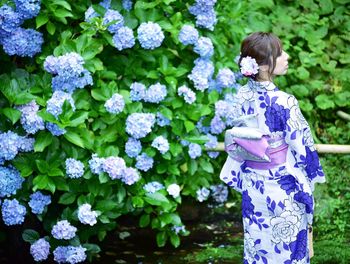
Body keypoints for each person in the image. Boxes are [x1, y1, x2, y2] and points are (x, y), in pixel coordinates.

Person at [219, 32, 326, 263]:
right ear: (265, 65)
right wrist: (309, 179)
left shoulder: (240, 96)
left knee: (259, 249)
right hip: (282, 188)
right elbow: (302, 146)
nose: (286, 57)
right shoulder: (284, 101)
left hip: (253, 186)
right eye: (280, 53)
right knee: (288, 250)